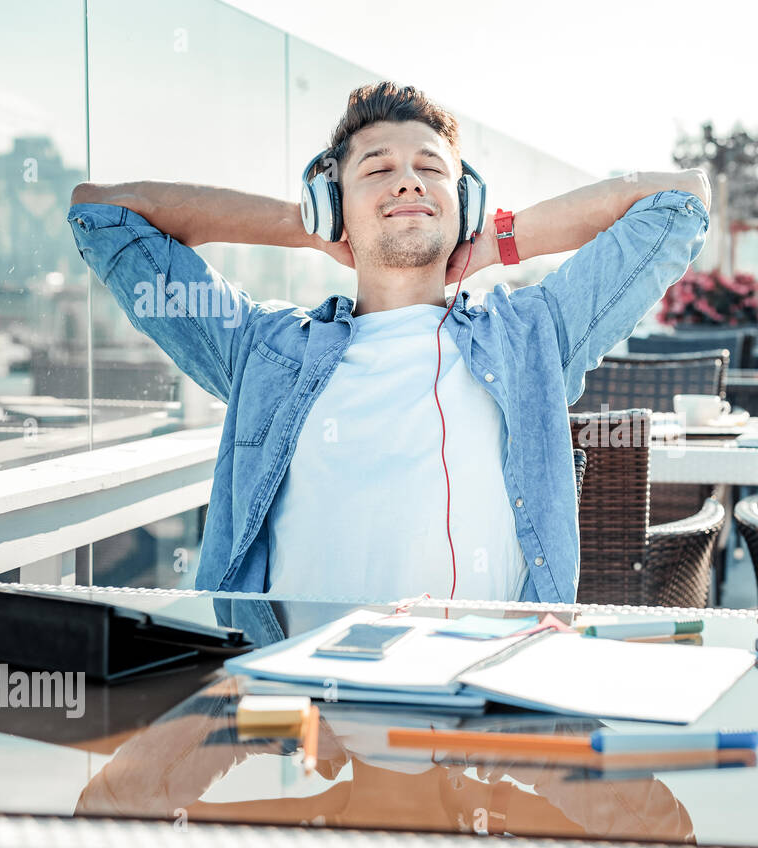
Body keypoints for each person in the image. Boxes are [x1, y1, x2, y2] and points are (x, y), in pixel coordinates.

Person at [67, 81, 711, 605]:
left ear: (467, 201)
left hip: (483, 724)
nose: (408, 182)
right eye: (378, 170)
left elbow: (679, 201)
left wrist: (495, 241)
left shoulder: (532, 337)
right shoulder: (263, 350)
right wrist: (306, 227)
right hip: (297, 725)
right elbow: (104, 215)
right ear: (331, 201)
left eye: (431, 170)